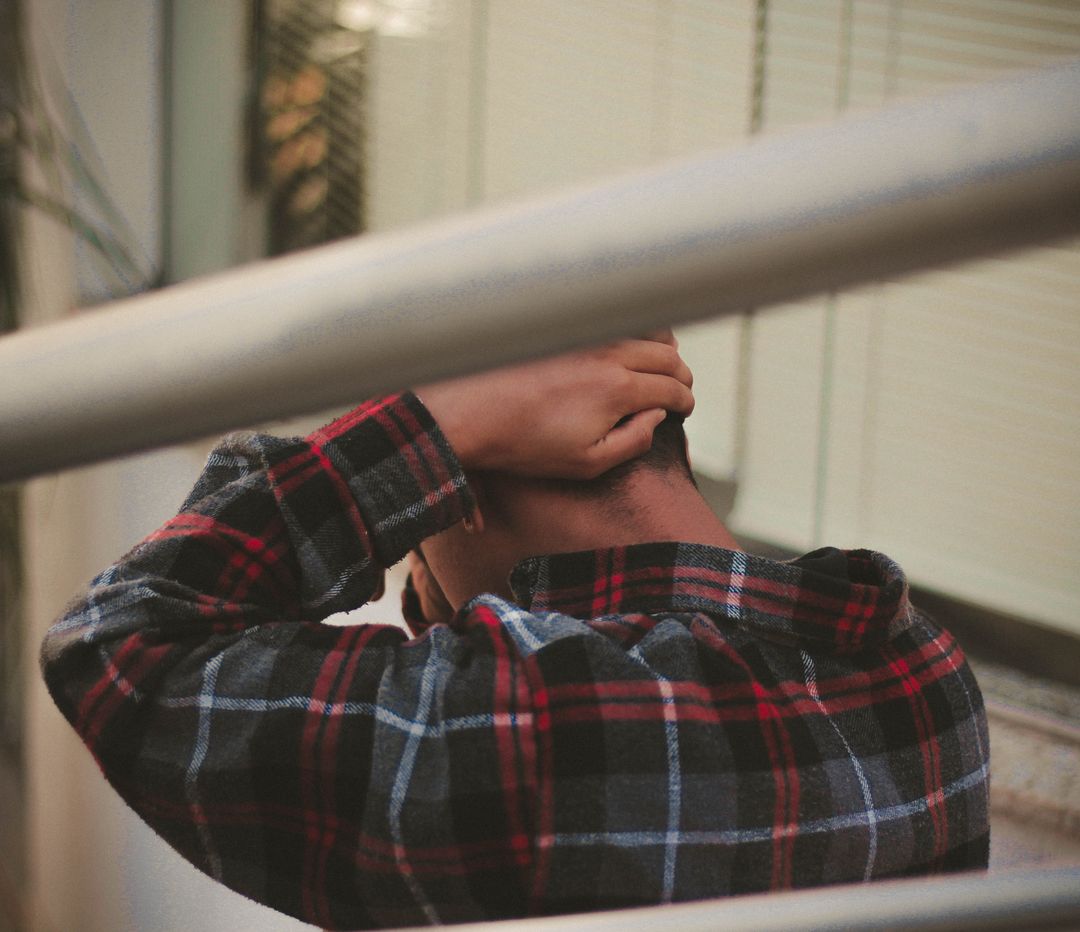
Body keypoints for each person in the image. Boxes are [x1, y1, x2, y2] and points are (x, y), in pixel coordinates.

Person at [40, 333, 989, 930]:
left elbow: (120, 643)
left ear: (466, 497)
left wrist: (439, 429)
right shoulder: (925, 669)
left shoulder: (525, 726)